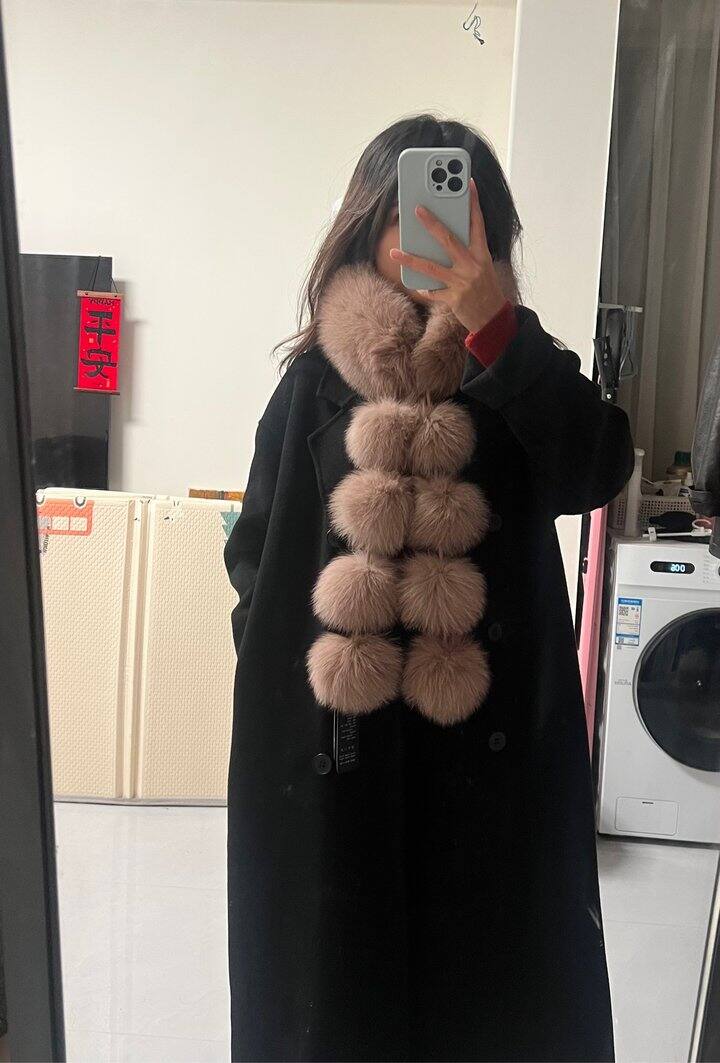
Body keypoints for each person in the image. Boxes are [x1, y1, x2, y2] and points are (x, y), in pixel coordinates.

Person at [223, 114, 634, 1063]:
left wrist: (500, 331)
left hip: (490, 762)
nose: (430, 236)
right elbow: (256, 550)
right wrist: (294, 682)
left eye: (463, 219)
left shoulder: (520, 369)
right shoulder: (312, 384)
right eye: (404, 216)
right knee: (339, 1005)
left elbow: (596, 468)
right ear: (367, 224)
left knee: (491, 1006)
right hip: (339, 761)